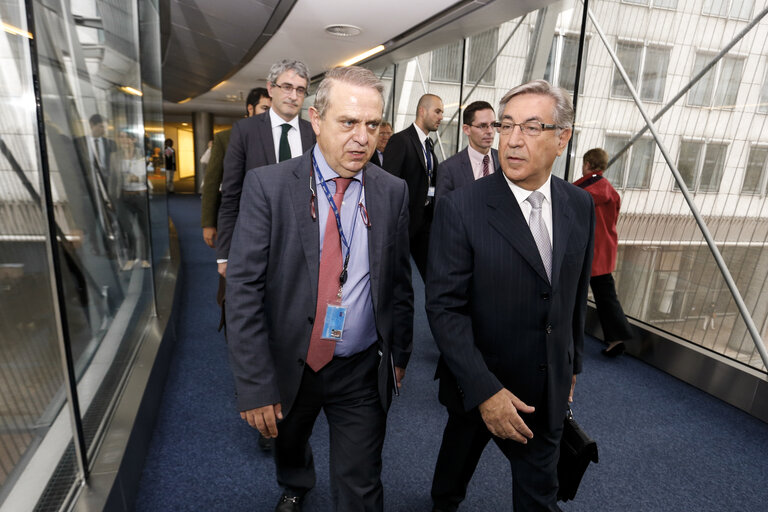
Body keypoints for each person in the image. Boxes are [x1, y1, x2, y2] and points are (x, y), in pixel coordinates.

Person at [225, 66, 413, 512]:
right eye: (348, 122)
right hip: (292, 360)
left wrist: (400, 355)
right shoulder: (269, 187)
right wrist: (255, 385)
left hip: (361, 367)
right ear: (316, 119)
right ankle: (295, 482)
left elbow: (399, 284)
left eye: (372, 125)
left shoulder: (392, 191)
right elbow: (244, 290)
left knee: (362, 481)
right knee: (290, 443)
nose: (362, 137)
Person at [427, 80, 594, 512]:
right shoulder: (462, 207)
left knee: (540, 494)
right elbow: (445, 307)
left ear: (563, 138)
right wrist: (485, 392)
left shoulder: (579, 204)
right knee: (453, 476)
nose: (514, 140)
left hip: (547, 384)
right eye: (507, 126)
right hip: (477, 380)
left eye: (532, 127)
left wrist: (571, 359)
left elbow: (574, 290)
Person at [216, 60, 315, 278]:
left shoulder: (315, 134)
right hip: (255, 240)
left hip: (302, 244)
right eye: (287, 87)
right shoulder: (245, 131)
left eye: (300, 90)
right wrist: (225, 253)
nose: (293, 96)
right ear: (271, 88)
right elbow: (231, 194)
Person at [574, 148, 634, 357]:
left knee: (570, 295)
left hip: (584, 251)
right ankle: (617, 338)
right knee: (607, 297)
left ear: (588, 164)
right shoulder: (610, 191)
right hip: (604, 250)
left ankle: (567, 338)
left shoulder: (580, 190)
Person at [201, 87, 271, 249]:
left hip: (268, 219)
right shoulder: (225, 138)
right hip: (237, 217)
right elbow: (212, 182)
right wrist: (208, 223)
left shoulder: (278, 138)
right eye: (265, 108)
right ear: (250, 109)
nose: (269, 114)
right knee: (232, 267)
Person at [383, 93, 443, 280]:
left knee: (430, 275)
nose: (441, 117)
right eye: (437, 111)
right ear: (422, 111)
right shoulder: (401, 140)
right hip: (404, 222)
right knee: (397, 277)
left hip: (425, 221)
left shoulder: (428, 144)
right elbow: (388, 184)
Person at [435, 100, 499, 199]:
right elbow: (443, 212)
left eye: (493, 125)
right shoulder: (449, 169)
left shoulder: (505, 161)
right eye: (482, 126)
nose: (490, 131)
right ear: (466, 129)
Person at [115, 130, 151, 270]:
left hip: (140, 195)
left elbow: (148, 173)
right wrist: (111, 197)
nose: (124, 140)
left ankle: (145, 258)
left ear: (133, 140)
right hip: (124, 196)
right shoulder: (115, 156)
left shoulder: (142, 154)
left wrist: (137, 178)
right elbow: (113, 178)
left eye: (127, 138)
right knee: (127, 228)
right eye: (121, 137)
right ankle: (131, 257)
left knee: (144, 228)